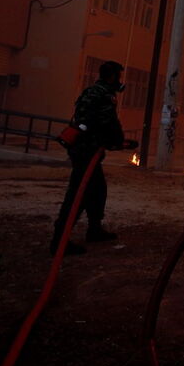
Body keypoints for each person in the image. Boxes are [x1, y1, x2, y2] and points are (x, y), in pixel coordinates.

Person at [51, 60, 132, 256]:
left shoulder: (90, 91)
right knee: (78, 195)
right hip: (87, 152)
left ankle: (94, 229)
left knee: (98, 189)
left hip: (82, 148)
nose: (119, 81)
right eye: (118, 76)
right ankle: (59, 241)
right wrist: (118, 141)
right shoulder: (105, 95)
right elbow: (109, 123)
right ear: (112, 76)